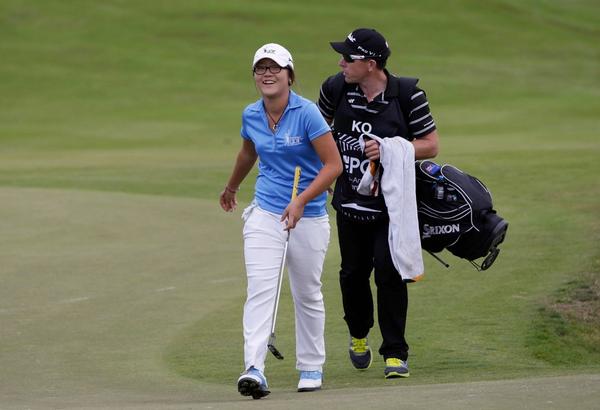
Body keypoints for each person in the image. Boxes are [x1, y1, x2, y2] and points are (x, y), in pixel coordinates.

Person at [220, 43, 342, 399]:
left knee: (306, 292)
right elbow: (248, 152)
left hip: (309, 215)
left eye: (275, 68)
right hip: (266, 212)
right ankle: (254, 369)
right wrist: (231, 187)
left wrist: (303, 200)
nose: (267, 74)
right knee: (261, 289)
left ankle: (310, 365)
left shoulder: (308, 114)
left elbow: (333, 166)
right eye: (261, 68)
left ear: (290, 75)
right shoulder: (251, 114)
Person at [317, 28, 440, 378]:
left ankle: (395, 353)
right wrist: (321, 173)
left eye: (348, 58)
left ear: (370, 65)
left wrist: (390, 147)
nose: (341, 62)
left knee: (390, 274)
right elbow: (317, 130)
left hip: (392, 206)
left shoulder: (408, 95)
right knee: (352, 275)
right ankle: (358, 335)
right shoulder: (335, 88)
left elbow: (430, 144)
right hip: (349, 201)